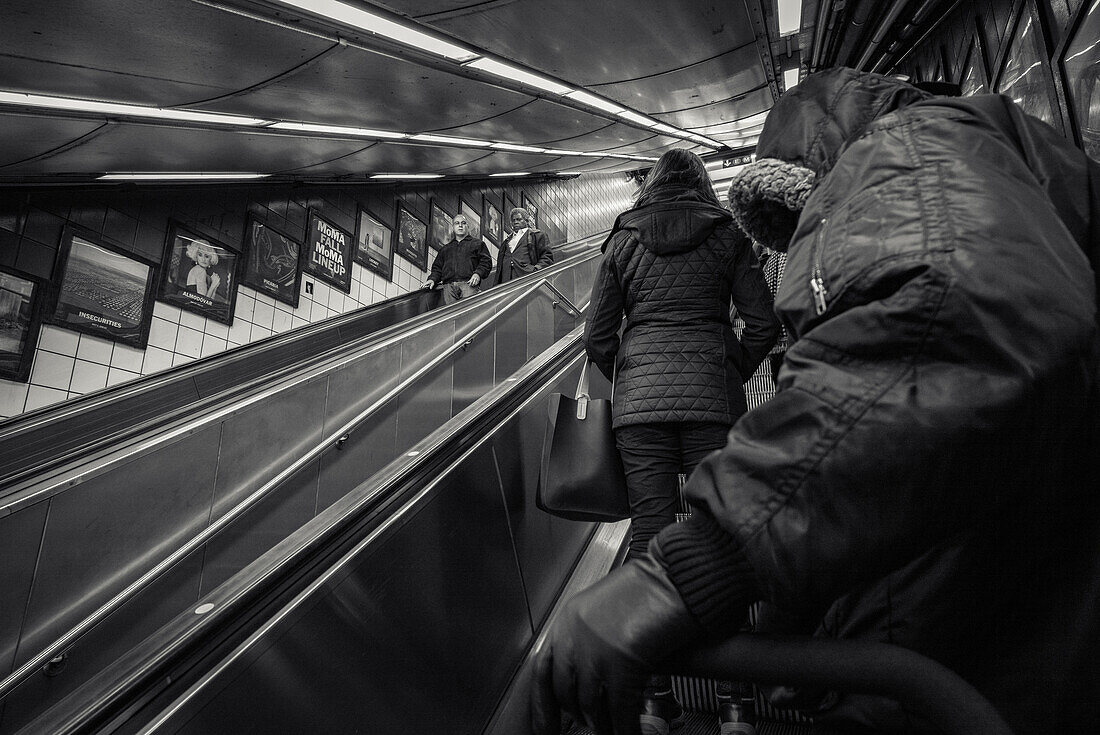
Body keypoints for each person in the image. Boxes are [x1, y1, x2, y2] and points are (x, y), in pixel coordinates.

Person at [532, 67, 1100, 735]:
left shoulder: (908, 150)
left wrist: (697, 566)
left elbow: (937, 330)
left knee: (661, 531)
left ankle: (657, 705)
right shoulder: (994, 157)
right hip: (1010, 613)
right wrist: (796, 617)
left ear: (813, 163)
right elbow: (819, 348)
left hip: (972, 645)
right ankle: (739, 709)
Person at [583, 147, 779, 734]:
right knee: (718, 537)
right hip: (711, 402)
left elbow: (597, 337)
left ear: (652, 186)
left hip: (640, 408)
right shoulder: (727, 236)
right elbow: (764, 323)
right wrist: (731, 368)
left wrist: (634, 374)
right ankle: (737, 704)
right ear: (699, 185)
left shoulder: (622, 239)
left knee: (648, 536)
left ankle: (652, 698)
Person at [423, 214, 492, 305]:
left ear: (467, 226)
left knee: (469, 314)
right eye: (457, 223)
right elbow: (437, 269)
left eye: (463, 223)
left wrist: (478, 274)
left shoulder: (478, 244)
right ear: (453, 227)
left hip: (469, 285)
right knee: (452, 317)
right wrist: (432, 279)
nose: (460, 225)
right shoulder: (445, 249)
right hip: (448, 288)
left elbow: (486, 262)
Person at [494, 207, 553, 284]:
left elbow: (547, 256)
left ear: (526, 221)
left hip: (526, 279)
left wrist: (536, 269)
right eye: (513, 220)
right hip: (506, 282)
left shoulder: (537, 235)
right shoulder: (506, 242)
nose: (515, 222)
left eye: (519, 219)